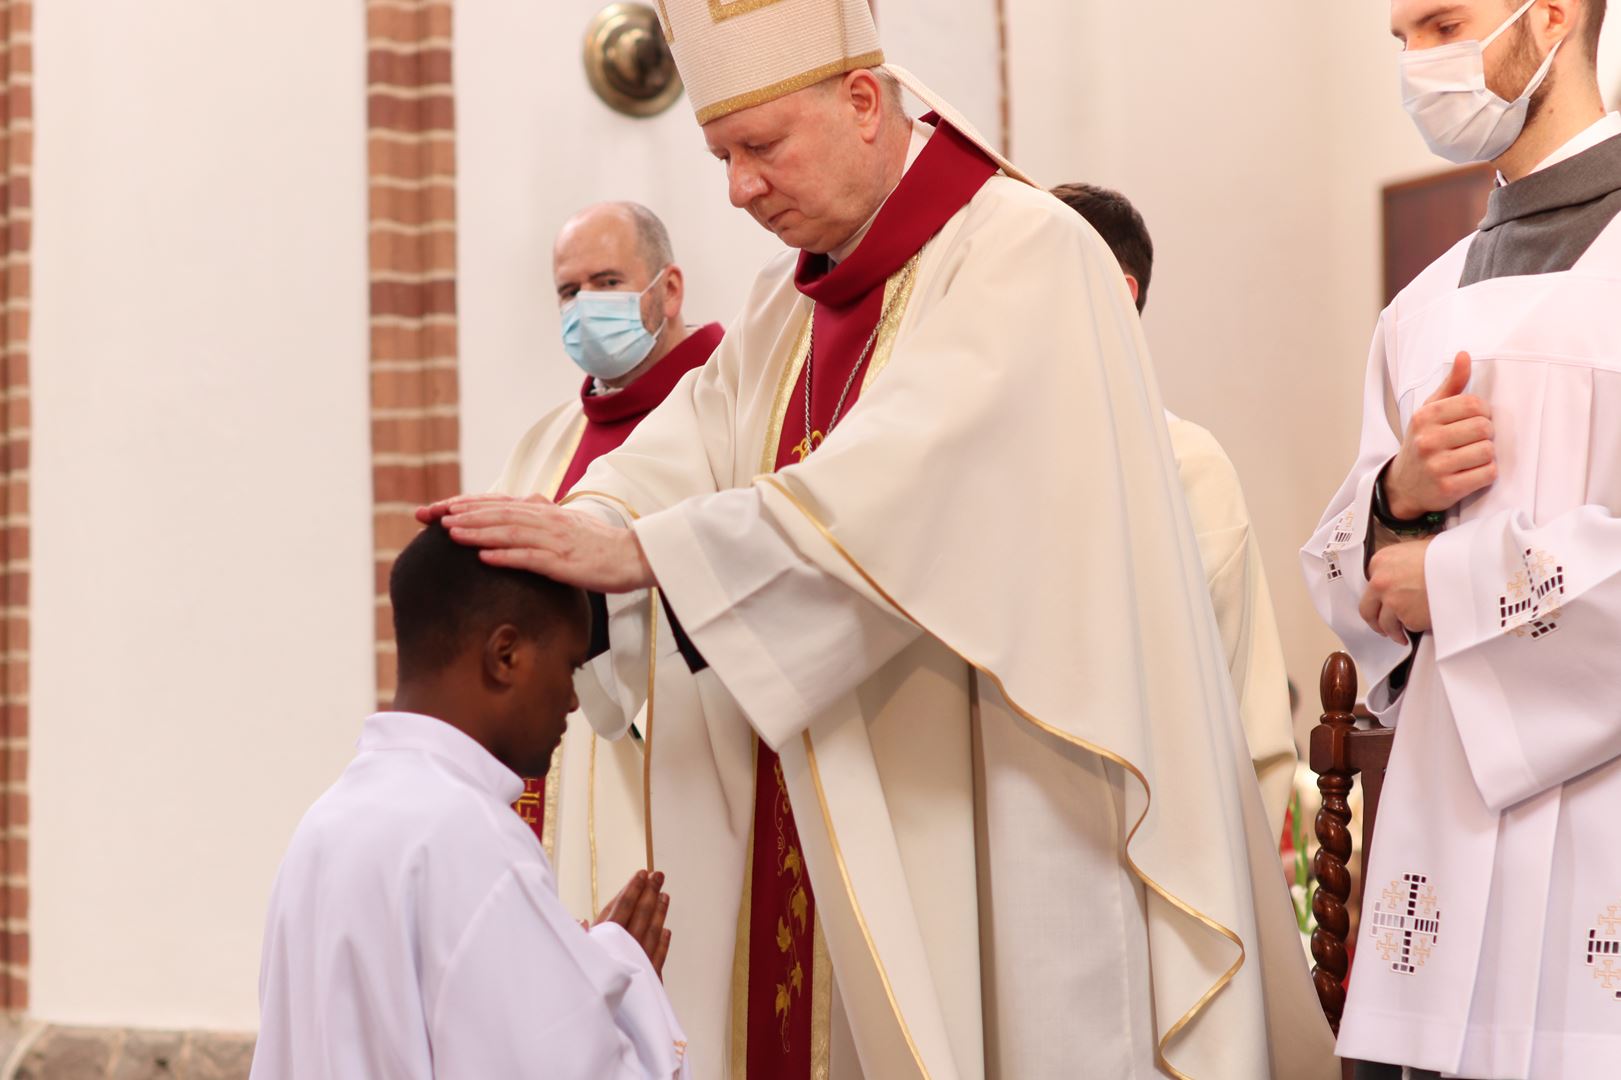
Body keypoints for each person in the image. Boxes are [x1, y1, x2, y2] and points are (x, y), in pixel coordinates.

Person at [425, 1, 1335, 1076]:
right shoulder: (784, 314)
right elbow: (681, 449)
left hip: (1010, 806)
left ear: (864, 102)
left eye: (760, 148)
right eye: (719, 156)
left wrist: (652, 554)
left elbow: (916, 477)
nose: (738, 189)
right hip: (828, 817)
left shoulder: (1027, 253)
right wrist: (584, 523)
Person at [1302, 1, 1619, 1077]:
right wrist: (1397, 496)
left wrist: (1452, 576)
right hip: (1438, 824)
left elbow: (1423, 588)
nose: (1417, 65)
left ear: (1551, 16)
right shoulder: (1419, 309)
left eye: (1441, 23)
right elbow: (1353, 584)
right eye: (1401, 40)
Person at [249, 523, 690, 1079]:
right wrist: (630, 980)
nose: (574, 700)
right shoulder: (472, 839)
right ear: (504, 655)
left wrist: (573, 966)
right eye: (569, 666)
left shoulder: (323, 826)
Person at [494, 201, 725, 923]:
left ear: (669, 289)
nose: (585, 306)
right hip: (561, 773)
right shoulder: (547, 442)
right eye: (569, 291)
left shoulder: (728, 409)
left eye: (606, 281)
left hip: (689, 770)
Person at [1052, 180, 1299, 840]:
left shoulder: (1186, 464)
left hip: (1155, 829)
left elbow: (1237, 688)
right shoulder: (991, 456)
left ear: (1118, 290)